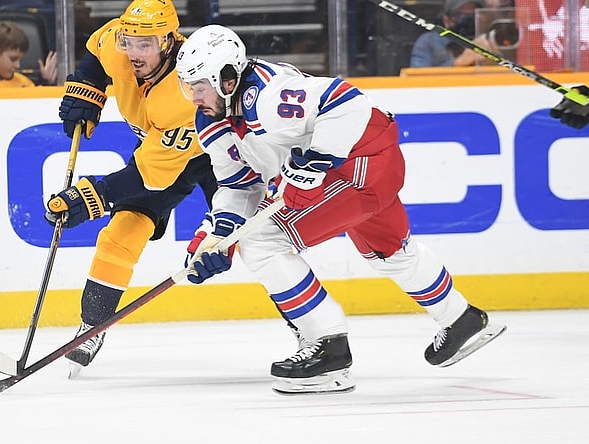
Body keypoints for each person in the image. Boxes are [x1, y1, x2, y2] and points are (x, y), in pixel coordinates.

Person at [176, 24, 506, 394]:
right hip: (362, 168)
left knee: (263, 242)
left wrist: (318, 159)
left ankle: (329, 347)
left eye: (198, 86)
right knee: (390, 252)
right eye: (187, 87)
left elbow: (347, 101)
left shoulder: (268, 96)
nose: (192, 97)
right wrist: (212, 240)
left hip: (361, 163)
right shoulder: (211, 121)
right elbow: (240, 187)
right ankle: (461, 318)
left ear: (226, 77)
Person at [44, 0, 218, 378]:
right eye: (130, 41)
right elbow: (97, 52)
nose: (134, 53)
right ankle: (93, 326)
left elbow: (152, 176)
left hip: (223, 157)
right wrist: (85, 87)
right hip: (160, 153)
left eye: (146, 44)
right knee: (121, 233)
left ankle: (317, 333)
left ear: (170, 42)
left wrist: (94, 195)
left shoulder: (183, 92)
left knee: (259, 240)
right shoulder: (117, 47)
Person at [409, 0, 495, 67]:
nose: (467, 21)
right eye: (460, 15)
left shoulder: (495, 39)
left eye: (474, 15)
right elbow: (417, 80)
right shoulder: (429, 42)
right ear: (446, 20)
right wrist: (459, 63)